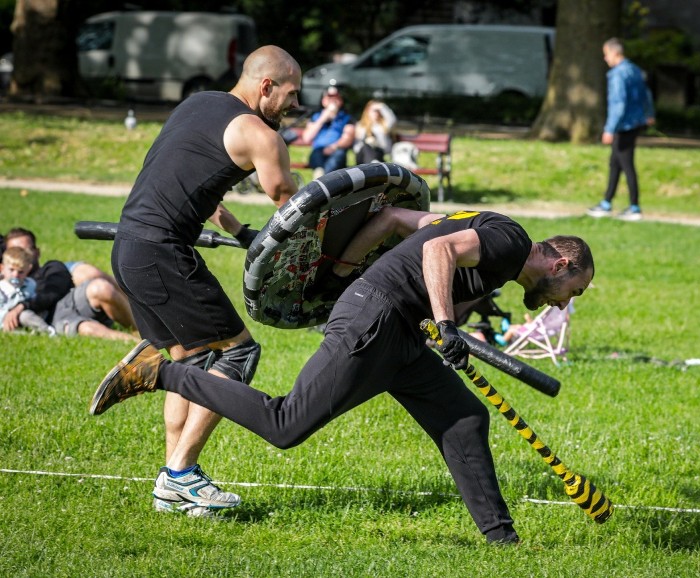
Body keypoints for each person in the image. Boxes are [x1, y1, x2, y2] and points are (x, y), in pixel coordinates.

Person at [90, 207, 595, 544]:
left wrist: (344, 272)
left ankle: (502, 541)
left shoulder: (497, 237)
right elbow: (435, 251)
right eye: (574, 290)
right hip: (375, 321)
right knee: (285, 425)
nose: (563, 300)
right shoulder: (511, 242)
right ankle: (160, 372)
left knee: (463, 416)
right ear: (562, 263)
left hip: (401, 332)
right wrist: (444, 322)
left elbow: (399, 218)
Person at [105, 45, 303, 517]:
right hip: (162, 252)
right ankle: (180, 474)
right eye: (292, 95)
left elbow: (189, 176)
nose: (296, 105)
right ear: (266, 87)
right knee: (239, 352)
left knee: (190, 361)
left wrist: (236, 229)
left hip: (129, 247)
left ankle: (170, 484)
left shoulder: (198, 103)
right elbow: (296, 214)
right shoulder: (261, 135)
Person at [2, 228, 136, 341]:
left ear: (37, 252)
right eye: (14, 251)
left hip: (70, 301)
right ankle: (135, 343)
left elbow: (52, 292)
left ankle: (141, 330)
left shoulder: (52, 268)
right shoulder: (5, 284)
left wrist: (22, 306)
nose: (20, 256)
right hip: (53, 319)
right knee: (88, 329)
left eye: (25, 250)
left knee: (101, 287)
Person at [587, 37, 655, 222]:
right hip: (635, 124)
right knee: (615, 163)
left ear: (615, 53)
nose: (605, 58)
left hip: (623, 126)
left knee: (626, 165)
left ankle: (634, 207)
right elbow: (646, 94)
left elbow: (618, 103)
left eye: (606, 54)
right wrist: (649, 114)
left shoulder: (617, 74)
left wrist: (609, 129)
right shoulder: (634, 69)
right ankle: (607, 202)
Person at [0, 246, 56, 335]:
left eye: (21, 272)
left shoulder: (30, 284)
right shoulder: (2, 288)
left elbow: (34, 301)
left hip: (26, 315)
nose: (15, 275)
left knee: (27, 315)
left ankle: (46, 330)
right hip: (6, 320)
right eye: (11, 270)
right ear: (2, 269)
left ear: (28, 270)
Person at [301, 86, 355, 178]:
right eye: (329, 97)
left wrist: (333, 147)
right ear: (323, 101)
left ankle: (322, 179)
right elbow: (307, 138)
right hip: (318, 151)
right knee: (316, 155)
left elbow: (348, 138)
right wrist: (323, 117)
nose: (332, 100)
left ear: (341, 101)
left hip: (337, 150)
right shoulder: (316, 117)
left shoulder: (346, 117)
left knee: (338, 155)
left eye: (336, 97)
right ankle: (323, 178)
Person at [353, 99, 397, 164]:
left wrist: (382, 106)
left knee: (376, 151)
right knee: (366, 147)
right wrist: (368, 144)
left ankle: (373, 164)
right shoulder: (360, 126)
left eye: (378, 111)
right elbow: (356, 147)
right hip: (363, 155)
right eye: (374, 110)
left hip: (379, 154)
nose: (376, 113)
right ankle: (373, 164)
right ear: (367, 111)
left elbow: (392, 120)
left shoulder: (383, 125)